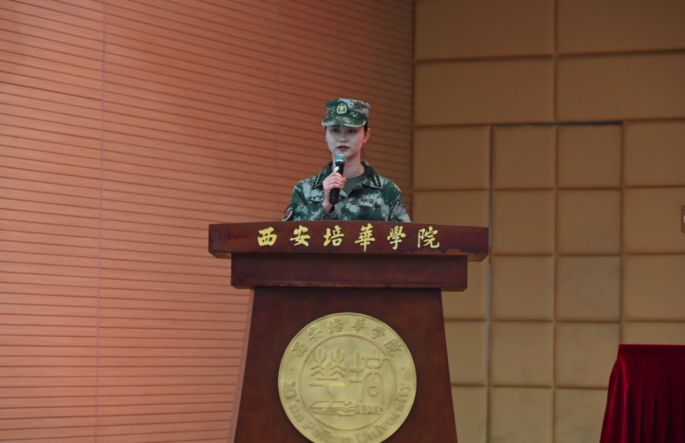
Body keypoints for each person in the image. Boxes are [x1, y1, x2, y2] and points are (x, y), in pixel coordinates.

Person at [282, 98, 411, 222]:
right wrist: (325, 206)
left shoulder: (388, 191)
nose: (342, 138)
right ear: (325, 134)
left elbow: (403, 236)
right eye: (335, 130)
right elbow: (289, 236)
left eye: (351, 131)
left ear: (366, 135)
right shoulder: (305, 190)